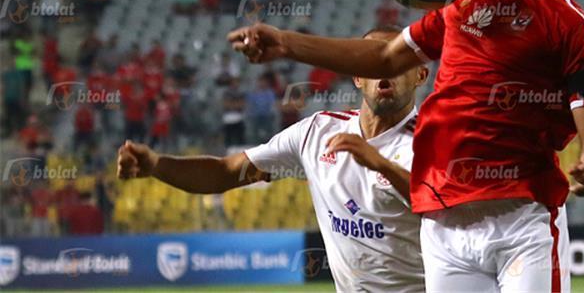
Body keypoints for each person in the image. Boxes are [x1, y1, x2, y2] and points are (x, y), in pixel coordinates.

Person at [229, 0, 584, 292]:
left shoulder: (571, 26)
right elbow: (385, 58)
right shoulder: (464, 5)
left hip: (521, 223)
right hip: (444, 229)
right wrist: (286, 43)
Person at [118, 27, 428, 292]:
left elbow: (449, 212)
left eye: (398, 63)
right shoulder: (316, 133)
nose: (386, 72)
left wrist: (380, 163)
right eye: (376, 63)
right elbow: (223, 172)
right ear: (358, 77)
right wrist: (158, 165)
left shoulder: (433, 144)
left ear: (421, 75)